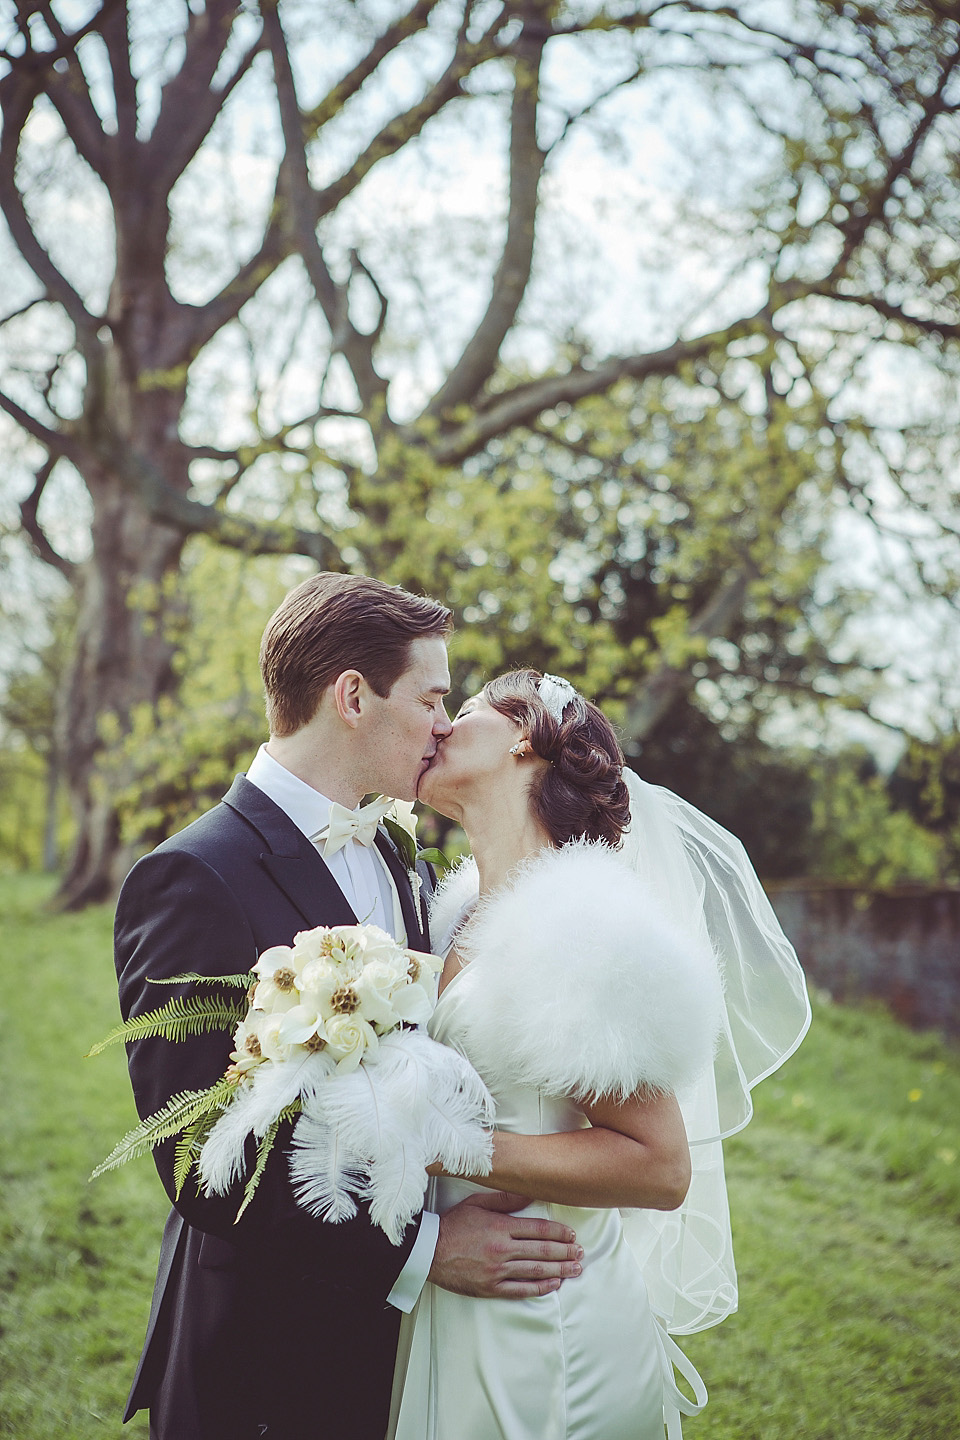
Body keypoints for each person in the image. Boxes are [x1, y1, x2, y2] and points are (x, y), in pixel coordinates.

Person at [113, 576, 583, 1440]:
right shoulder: (191, 878)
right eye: (433, 697)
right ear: (353, 696)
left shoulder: (402, 856)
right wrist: (426, 1252)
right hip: (261, 1353)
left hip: (399, 1357)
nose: (446, 724)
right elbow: (196, 1160)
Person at [389, 668, 812, 1440]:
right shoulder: (452, 914)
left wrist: (444, 1150)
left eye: (469, 709)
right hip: (464, 1296)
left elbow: (659, 1167)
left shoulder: (582, 927)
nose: (442, 725)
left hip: (550, 1322)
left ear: (524, 737)